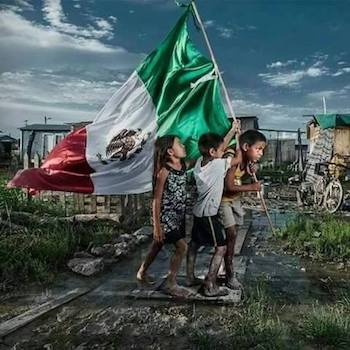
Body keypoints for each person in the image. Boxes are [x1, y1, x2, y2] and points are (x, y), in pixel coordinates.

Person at [185, 122, 241, 297]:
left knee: (194, 244)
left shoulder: (200, 163)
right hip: (209, 214)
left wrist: (232, 130)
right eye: (220, 150)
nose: (223, 151)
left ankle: (189, 277)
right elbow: (238, 159)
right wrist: (238, 139)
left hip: (198, 212)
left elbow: (221, 146)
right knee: (221, 248)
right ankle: (210, 284)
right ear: (213, 152)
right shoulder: (218, 165)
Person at [136, 135, 190, 297]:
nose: (183, 146)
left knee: (157, 245)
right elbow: (156, 200)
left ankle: (141, 272)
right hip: (165, 217)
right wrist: (157, 227)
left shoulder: (183, 165)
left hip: (178, 216)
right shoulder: (164, 171)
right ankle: (171, 283)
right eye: (179, 144)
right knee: (182, 247)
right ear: (170, 151)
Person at [219, 129, 267, 290]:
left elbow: (239, 179)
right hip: (222, 200)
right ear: (246, 146)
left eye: (262, 150)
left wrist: (249, 172)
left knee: (232, 237)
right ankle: (228, 272)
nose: (261, 153)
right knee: (230, 233)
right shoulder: (233, 157)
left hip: (235, 201)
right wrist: (252, 187)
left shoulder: (245, 160)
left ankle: (226, 267)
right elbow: (229, 186)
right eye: (258, 149)